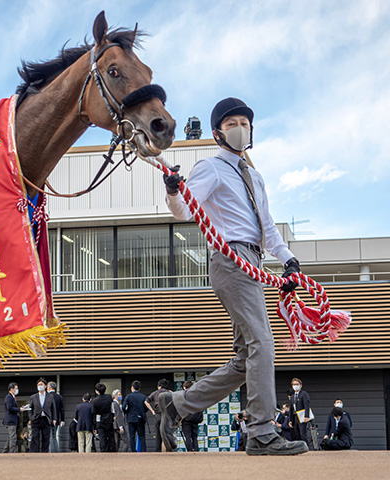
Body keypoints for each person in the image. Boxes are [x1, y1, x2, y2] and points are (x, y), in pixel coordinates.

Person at [159, 97, 308, 456]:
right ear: (217, 133)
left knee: (246, 359)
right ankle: (260, 432)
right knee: (263, 342)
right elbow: (185, 210)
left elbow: (268, 228)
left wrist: (288, 260)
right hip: (231, 261)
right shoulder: (210, 167)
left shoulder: (254, 176)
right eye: (232, 124)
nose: (240, 128)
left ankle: (177, 405)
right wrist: (172, 188)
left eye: (244, 122)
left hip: (254, 261)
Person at [28, 378, 56, 452]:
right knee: (34, 437)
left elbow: (53, 408)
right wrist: (31, 418)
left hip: (46, 418)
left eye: (41, 385)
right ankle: (33, 452)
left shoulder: (50, 396)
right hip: (36, 419)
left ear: (45, 386)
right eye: (38, 385)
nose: (40, 386)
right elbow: (30, 408)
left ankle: (44, 452)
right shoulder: (33, 397)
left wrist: (54, 419)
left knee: (46, 437)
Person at [144, 379, 172, 452]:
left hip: (158, 414)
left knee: (158, 434)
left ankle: (158, 451)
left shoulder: (155, 393)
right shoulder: (169, 393)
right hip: (167, 415)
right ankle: (168, 450)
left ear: (159, 386)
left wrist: (152, 411)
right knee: (167, 433)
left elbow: (146, 401)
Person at [122, 380, 148, 452]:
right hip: (140, 418)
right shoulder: (143, 397)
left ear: (132, 388)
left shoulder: (128, 397)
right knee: (142, 436)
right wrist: (143, 412)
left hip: (131, 418)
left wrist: (127, 412)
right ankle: (143, 451)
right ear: (139, 388)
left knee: (132, 436)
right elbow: (146, 407)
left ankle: (133, 451)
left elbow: (123, 407)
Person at [180, 381, 204, 452]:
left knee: (188, 437)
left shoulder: (184, 395)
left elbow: (181, 408)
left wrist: (179, 420)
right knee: (194, 437)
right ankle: (196, 450)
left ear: (185, 387)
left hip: (186, 420)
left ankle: (189, 451)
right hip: (196, 419)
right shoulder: (198, 395)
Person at [92, 383, 115, 452]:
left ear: (97, 391)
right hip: (109, 419)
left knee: (102, 437)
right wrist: (113, 416)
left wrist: (95, 426)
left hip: (100, 420)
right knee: (111, 436)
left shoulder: (95, 400)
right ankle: (112, 450)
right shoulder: (109, 397)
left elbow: (94, 413)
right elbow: (112, 408)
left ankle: (103, 451)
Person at [2, 382, 24, 453]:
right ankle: (12, 452)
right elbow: (9, 407)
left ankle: (5, 452)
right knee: (13, 437)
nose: (17, 390)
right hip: (10, 420)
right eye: (16, 388)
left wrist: (19, 409)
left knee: (10, 437)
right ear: (11, 389)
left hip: (13, 420)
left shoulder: (12, 397)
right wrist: (19, 409)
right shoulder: (9, 397)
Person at [289, 377, 311, 446]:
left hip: (301, 416)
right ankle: (299, 447)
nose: (295, 386)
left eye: (297, 384)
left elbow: (306, 405)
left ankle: (306, 447)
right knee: (296, 433)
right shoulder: (292, 397)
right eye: (293, 384)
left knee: (303, 433)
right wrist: (290, 420)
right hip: (295, 417)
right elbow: (291, 409)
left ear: (300, 385)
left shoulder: (304, 394)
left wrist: (306, 416)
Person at [47, 381, 65, 452]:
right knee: (54, 436)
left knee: (50, 436)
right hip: (57, 418)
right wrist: (62, 419)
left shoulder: (47, 396)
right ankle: (56, 451)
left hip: (48, 419)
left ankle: (51, 451)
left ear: (48, 387)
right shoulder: (59, 397)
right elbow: (62, 409)